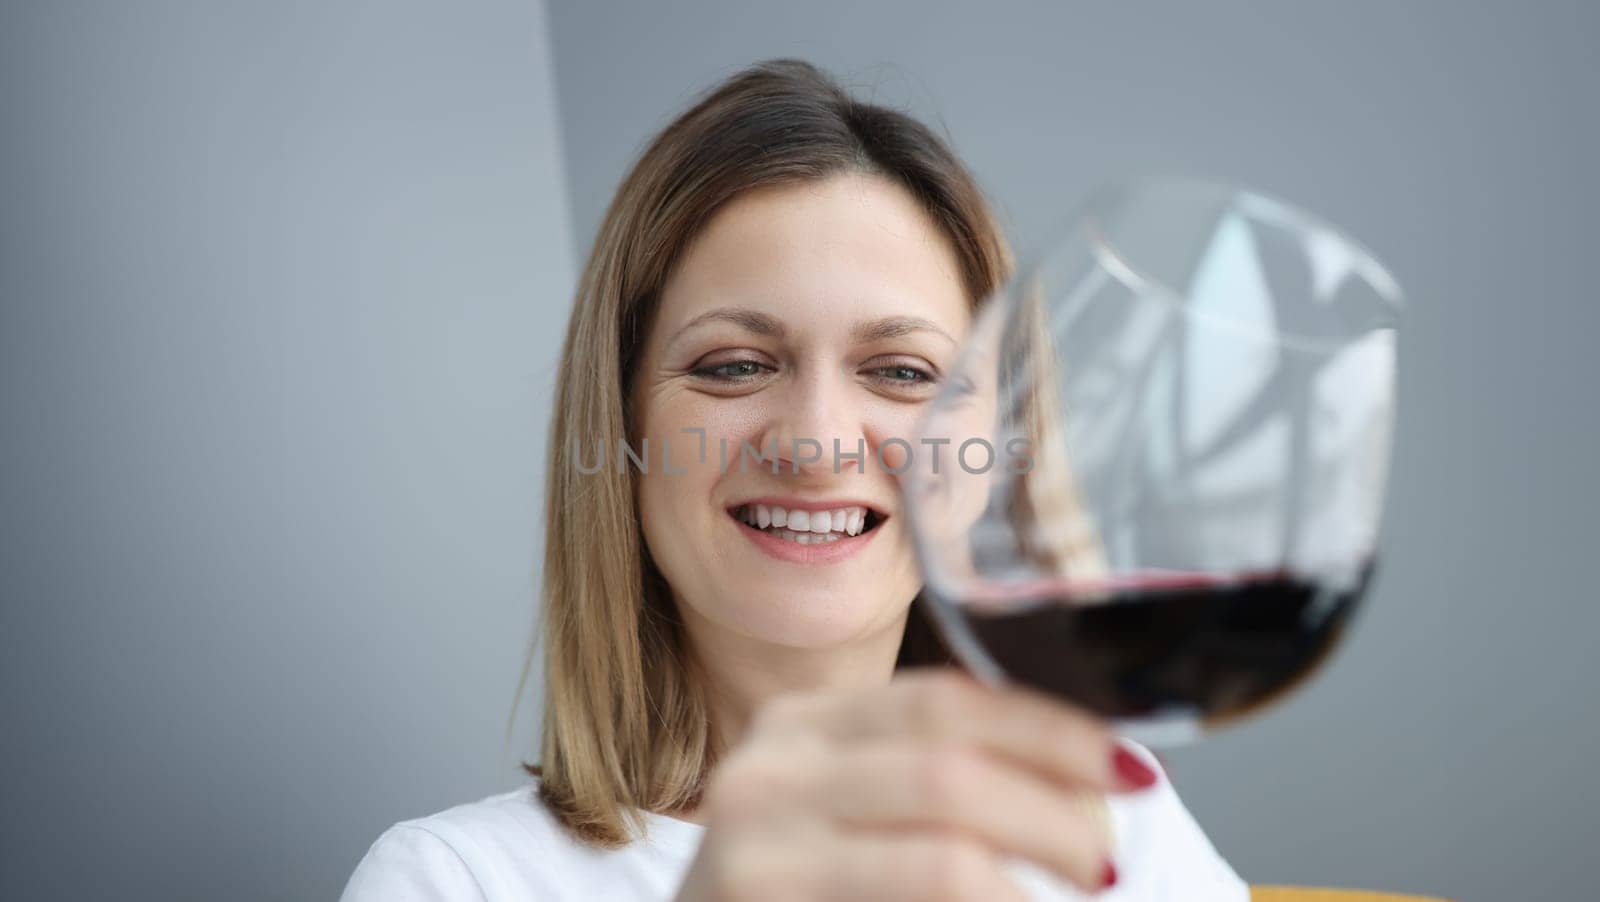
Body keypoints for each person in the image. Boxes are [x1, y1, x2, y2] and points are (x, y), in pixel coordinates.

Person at [341, 58, 1248, 901]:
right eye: (734, 365)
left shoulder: (1111, 824)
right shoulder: (454, 881)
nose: (815, 445)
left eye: (901, 371)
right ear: (621, 428)